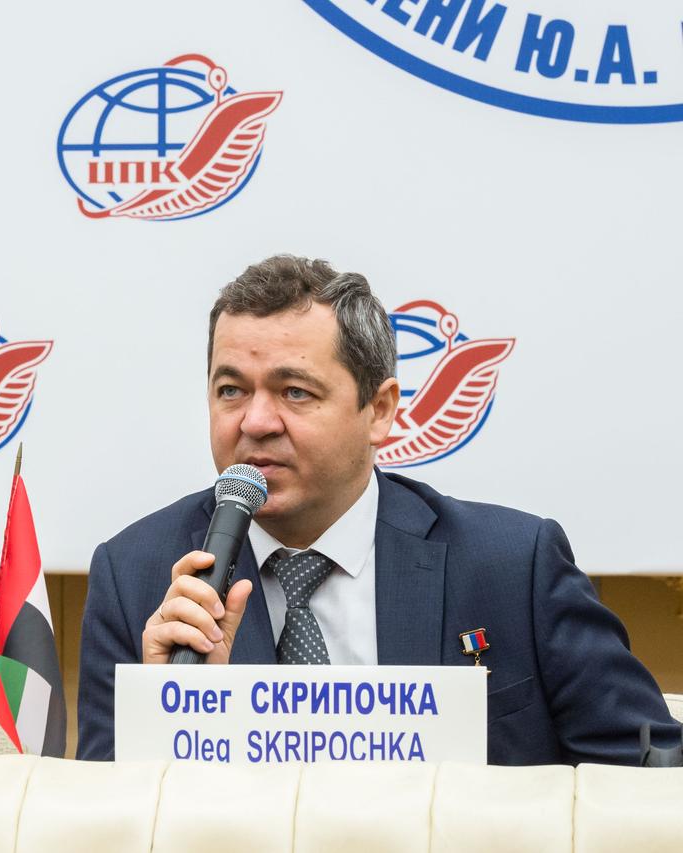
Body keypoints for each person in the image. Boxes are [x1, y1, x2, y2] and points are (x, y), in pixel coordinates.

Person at [77, 254, 673, 765]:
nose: (255, 422)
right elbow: (101, 826)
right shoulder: (137, 578)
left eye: (294, 392)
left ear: (380, 410)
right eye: (231, 390)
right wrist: (167, 712)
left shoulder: (514, 566)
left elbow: (653, 780)